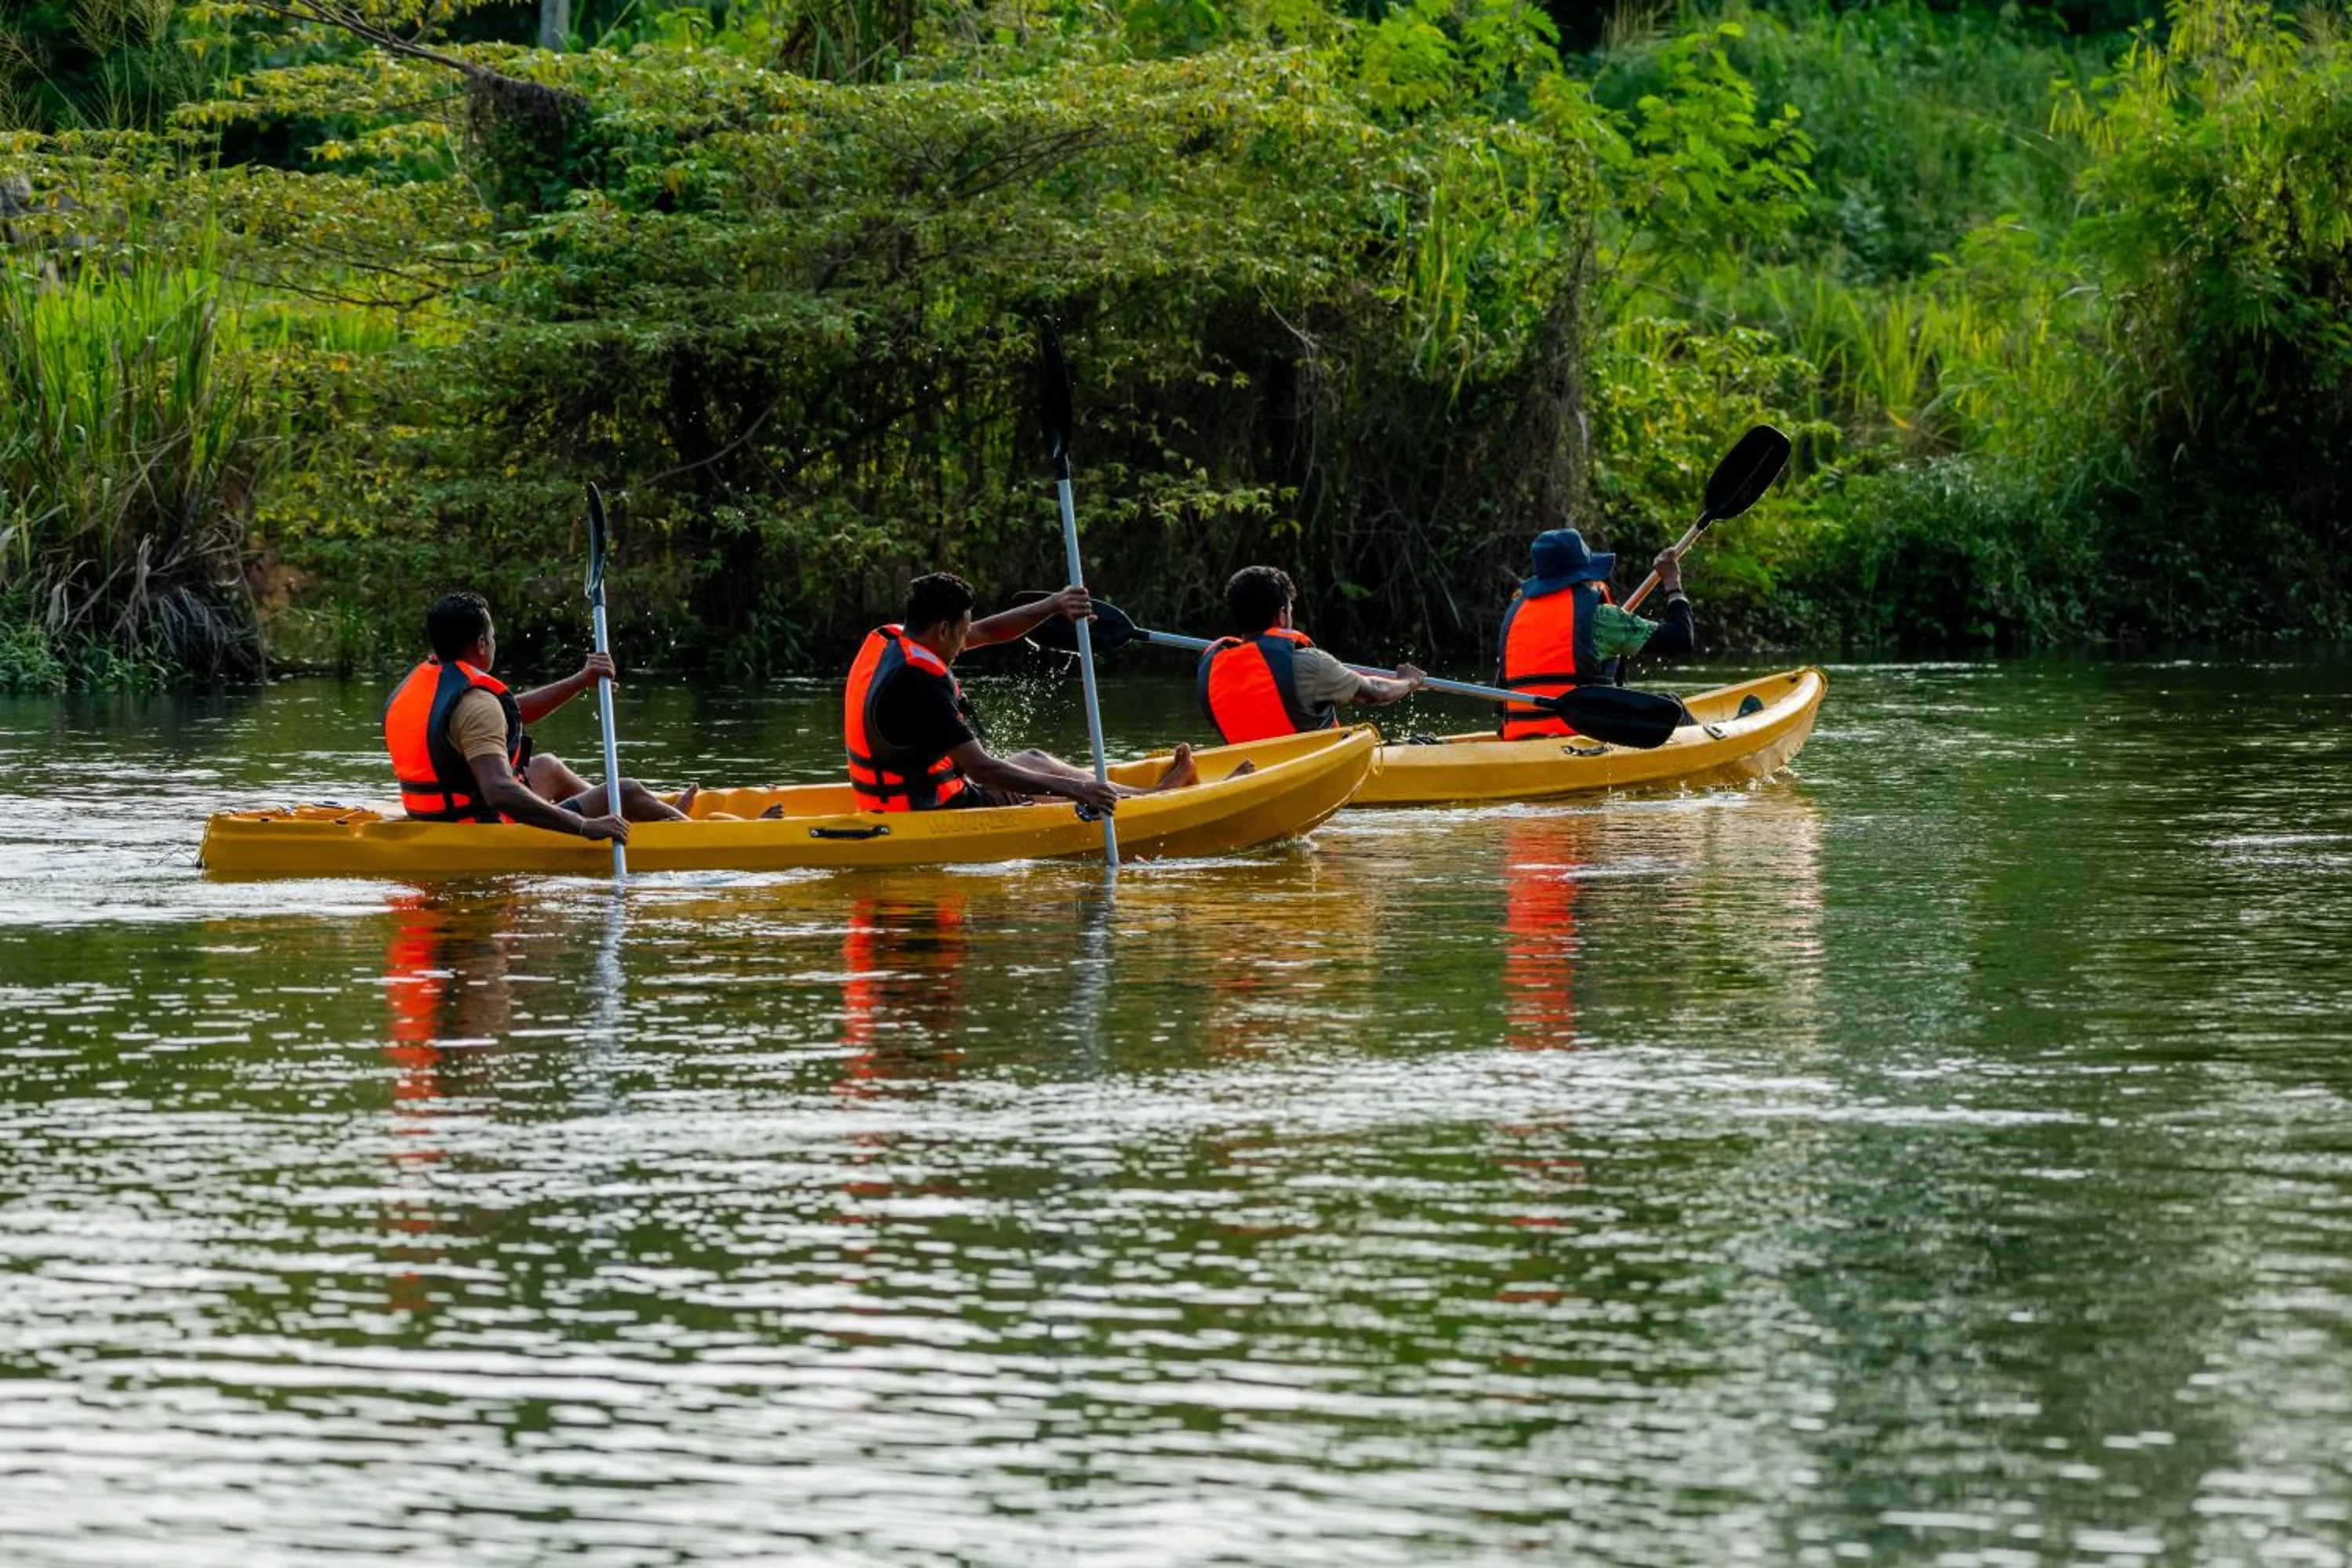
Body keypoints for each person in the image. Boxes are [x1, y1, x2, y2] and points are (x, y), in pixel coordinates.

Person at [844, 573, 1198, 814]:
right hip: (932, 813)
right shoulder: (920, 685)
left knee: (1034, 758)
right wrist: (1077, 791)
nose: (966, 641)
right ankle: (1156, 802)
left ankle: (1150, 796)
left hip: (903, 798)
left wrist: (1054, 604)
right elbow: (982, 770)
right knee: (1043, 790)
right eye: (962, 632)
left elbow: (986, 631)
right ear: (942, 629)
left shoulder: (891, 639)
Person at [383, 590, 691, 842]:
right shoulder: (475, 704)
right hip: (480, 830)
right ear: (480, 644)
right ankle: (682, 829)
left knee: (548, 767)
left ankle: (627, 816)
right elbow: (500, 792)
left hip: (434, 817)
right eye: (492, 636)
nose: (493, 642)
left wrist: (581, 681)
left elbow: (501, 717)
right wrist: (583, 827)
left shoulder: (423, 686)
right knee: (627, 790)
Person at [1495, 529, 1694, 739]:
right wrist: (1673, 583)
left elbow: (1501, 703)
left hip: (1521, 738)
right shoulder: (1600, 618)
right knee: (1673, 706)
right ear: (1584, 575)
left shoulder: (1515, 618)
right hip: (1583, 736)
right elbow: (1679, 639)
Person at [1196, 566, 1426, 745]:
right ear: (1282, 615)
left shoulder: (1212, 672)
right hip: (1318, 771)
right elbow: (1376, 693)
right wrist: (1409, 681)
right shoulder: (1309, 664)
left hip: (1247, 772)